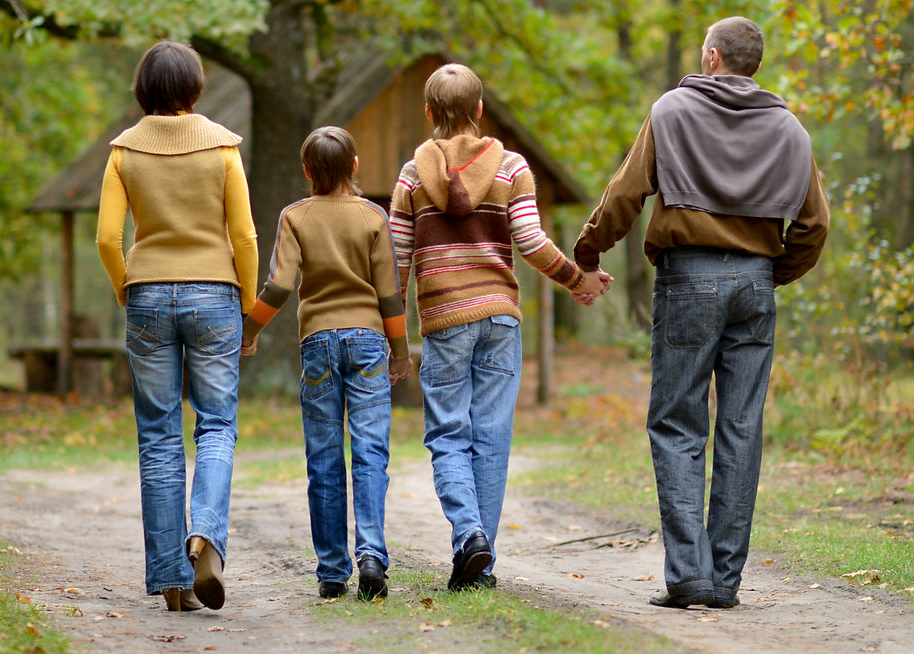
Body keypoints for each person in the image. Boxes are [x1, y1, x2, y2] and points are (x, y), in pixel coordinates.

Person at [573, 17, 829, 609]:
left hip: (688, 280)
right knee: (741, 428)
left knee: (677, 423)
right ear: (754, 64)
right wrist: (772, 273)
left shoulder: (671, 112)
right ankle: (726, 582)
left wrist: (587, 252)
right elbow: (815, 225)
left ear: (712, 57)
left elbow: (624, 194)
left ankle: (690, 576)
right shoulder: (790, 130)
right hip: (756, 287)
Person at [389, 63, 610, 591]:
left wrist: (392, 334)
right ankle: (478, 565)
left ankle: (469, 537)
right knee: (490, 439)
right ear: (480, 110)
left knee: (447, 435)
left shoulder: (411, 176)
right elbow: (531, 241)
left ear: (428, 114)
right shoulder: (512, 167)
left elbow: (397, 262)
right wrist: (576, 278)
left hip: (444, 320)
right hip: (499, 320)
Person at [96, 41, 258, 612]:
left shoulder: (123, 151)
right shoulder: (222, 147)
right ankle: (205, 538)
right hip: (215, 294)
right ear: (195, 86)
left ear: (143, 88)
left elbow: (106, 238)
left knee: (158, 437)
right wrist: (245, 302)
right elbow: (243, 237)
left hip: (146, 297)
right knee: (216, 425)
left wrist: (127, 286)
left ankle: (171, 582)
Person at [240, 126, 412, 600]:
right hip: (368, 342)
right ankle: (372, 555)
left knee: (324, 459)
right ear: (355, 166)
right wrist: (400, 353)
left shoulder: (295, 216)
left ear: (307, 171)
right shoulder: (374, 217)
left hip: (317, 342)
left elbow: (278, 286)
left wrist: (248, 331)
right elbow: (389, 295)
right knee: (371, 451)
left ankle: (332, 572)